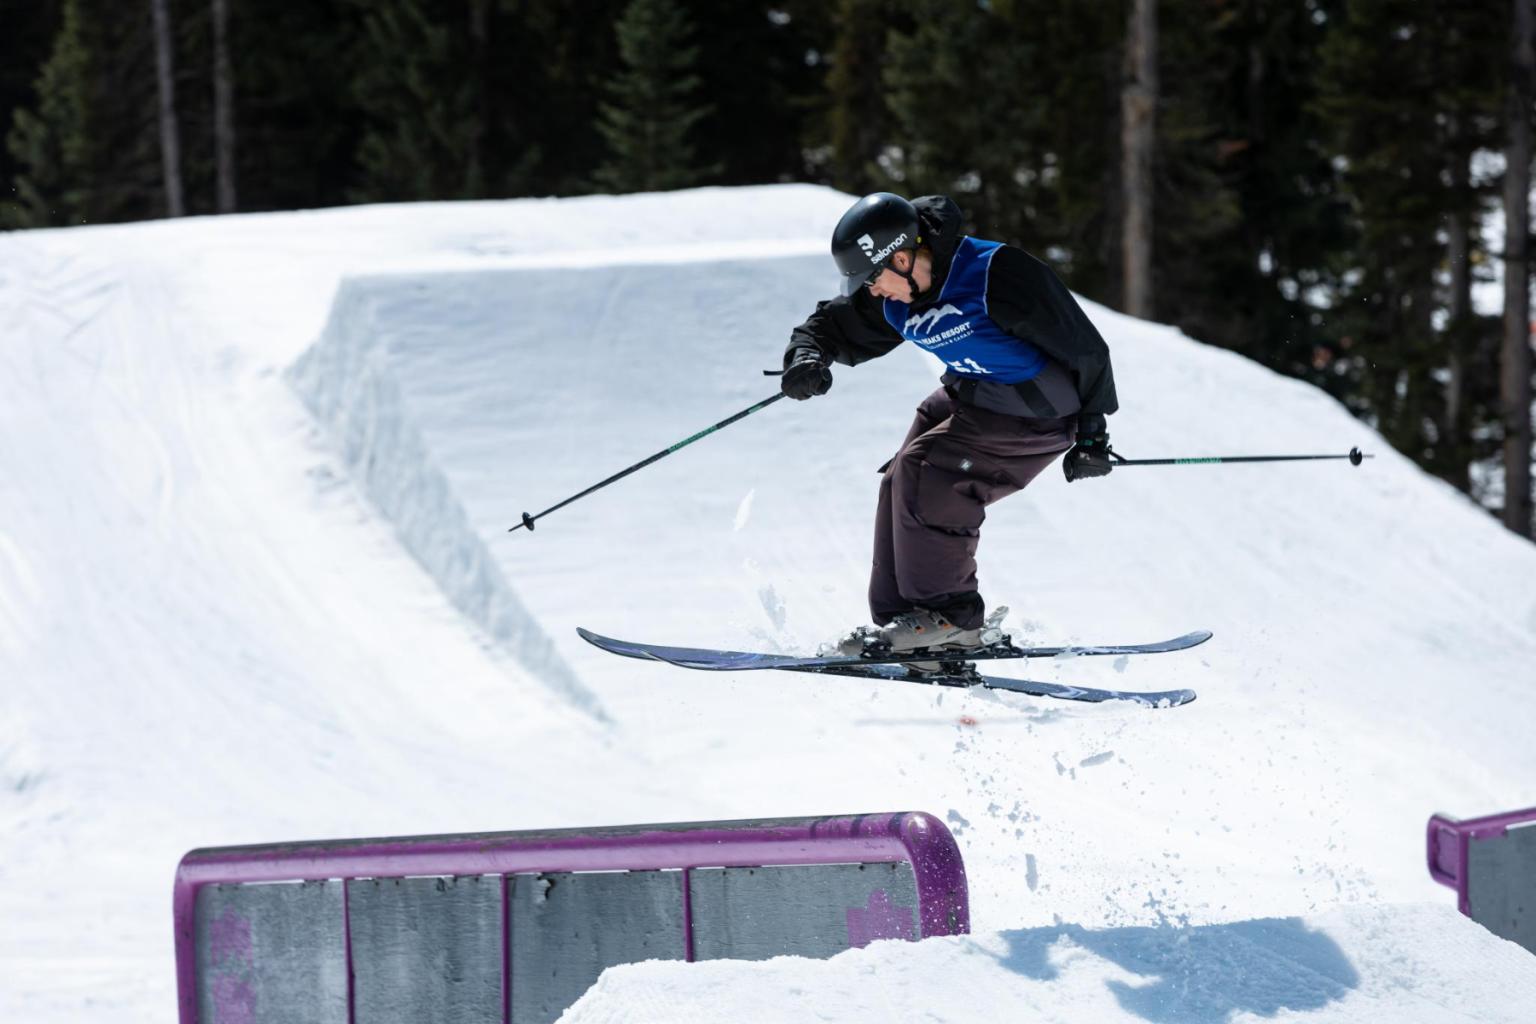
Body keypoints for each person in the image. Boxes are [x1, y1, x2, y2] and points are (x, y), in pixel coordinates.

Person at [780, 192, 1117, 662]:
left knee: (929, 470)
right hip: (975, 394)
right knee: (901, 473)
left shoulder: (994, 273)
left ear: (900, 257)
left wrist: (1093, 434)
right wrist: (807, 357)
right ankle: (908, 620)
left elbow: (1085, 348)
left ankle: (951, 619)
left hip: (1036, 409)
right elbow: (831, 325)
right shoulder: (897, 293)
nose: (872, 290)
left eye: (872, 277)